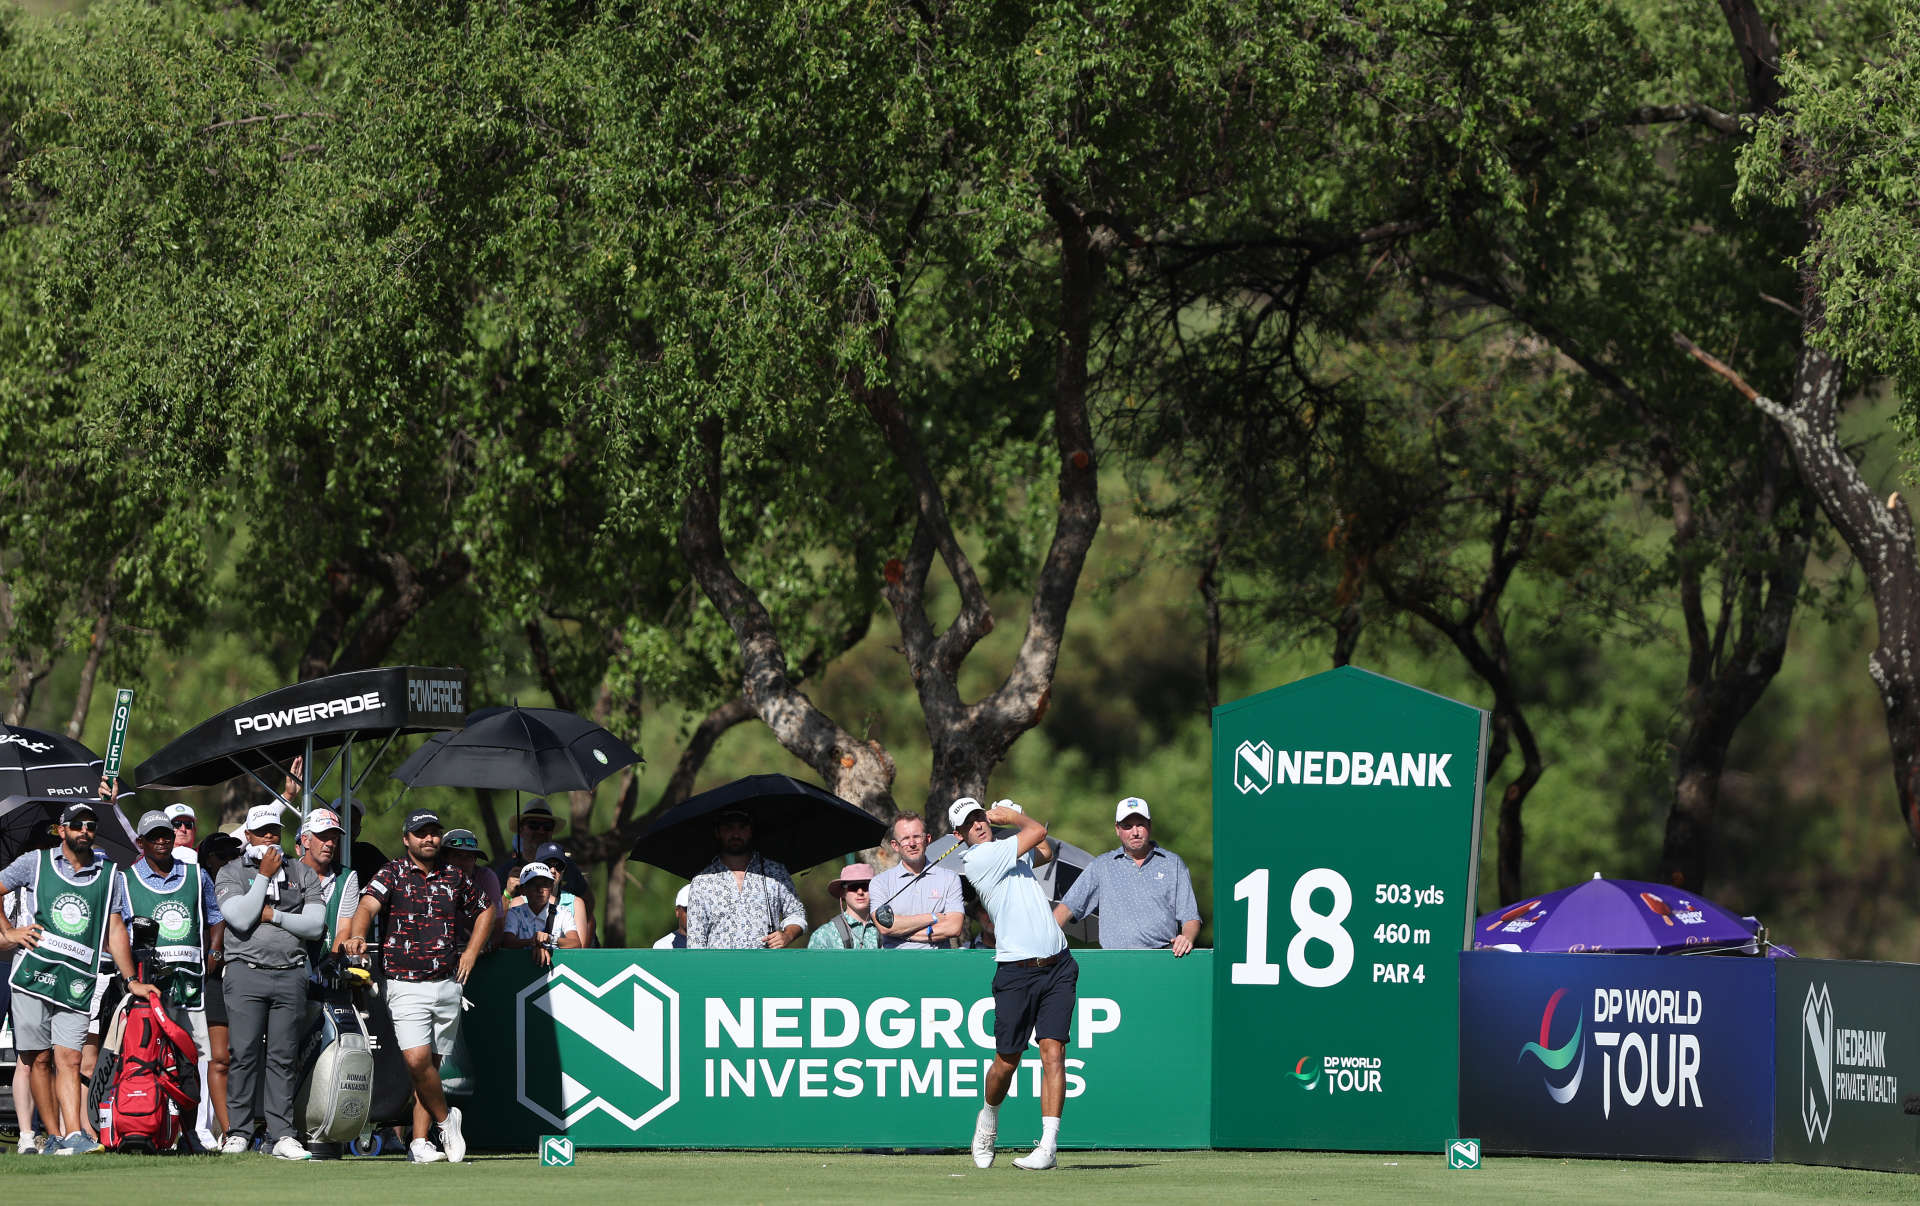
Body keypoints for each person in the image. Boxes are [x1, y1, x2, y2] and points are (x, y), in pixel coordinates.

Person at [0, 801, 153, 1156]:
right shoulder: (33, 863)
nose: (85, 830)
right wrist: (9, 933)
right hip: (33, 975)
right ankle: (53, 1137)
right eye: (78, 824)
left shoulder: (109, 874)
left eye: (91, 825)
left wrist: (131, 980)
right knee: (37, 1058)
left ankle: (74, 1134)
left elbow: (115, 928)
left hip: (78, 979)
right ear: (62, 829)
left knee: (68, 1058)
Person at [344, 808, 494, 1165]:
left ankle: (421, 1142)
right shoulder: (392, 872)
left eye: (433, 832)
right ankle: (447, 1120)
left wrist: (471, 951)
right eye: (421, 833)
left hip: (447, 983)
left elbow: (486, 909)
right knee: (416, 1060)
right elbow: (366, 906)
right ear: (406, 839)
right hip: (405, 983)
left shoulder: (454, 876)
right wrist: (358, 936)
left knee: (430, 1069)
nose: (429, 838)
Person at [951, 796, 1074, 1172]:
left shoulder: (1007, 851)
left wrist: (1012, 822)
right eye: (970, 822)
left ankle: (1048, 1146)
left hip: (1059, 965)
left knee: (1053, 1053)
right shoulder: (978, 860)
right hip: (1016, 973)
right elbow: (1037, 830)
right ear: (960, 835)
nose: (978, 823)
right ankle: (988, 1118)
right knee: (1007, 1061)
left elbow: (1046, 851)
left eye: (980, 816)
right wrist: (1015, 817)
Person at [214, 802, 325, 1160]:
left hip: (290, 972)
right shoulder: (231, 872)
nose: (269, 838)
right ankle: (239, 1131)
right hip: (246, 972)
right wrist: (262, 876)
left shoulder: (302, 873)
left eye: (275, 832)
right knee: (243, 1054)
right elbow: (242, 919)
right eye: (262, 833)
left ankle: (281, 1134)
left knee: (283, 1057)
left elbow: (314, 926)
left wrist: (274, 916)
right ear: (247, 836)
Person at [126, 810, 226, 1149]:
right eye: (153, 835)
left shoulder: (196, 875)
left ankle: (191, 1131)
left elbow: (215, 917)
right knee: (150, 1057)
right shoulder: (126, 880)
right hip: (148, 986)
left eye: (166, 833)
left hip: (190, 983)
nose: (162, 839)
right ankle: (149, 1128)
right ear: (140, 842)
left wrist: (214, 951)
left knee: (192, 1058)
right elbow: (117, 931)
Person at [1053, 797, 1201, 955]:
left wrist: (1186, 938)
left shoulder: (1172, 863)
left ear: (1149, 826)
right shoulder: (1102, 866)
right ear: (1117, 829)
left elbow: (1191, 917)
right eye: (1128, 826)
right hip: (1115, 962)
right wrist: (1043, 947)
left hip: (1163, 958)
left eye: (1140, 825)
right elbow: (1066, 909)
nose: (1135, 832)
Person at [684, 809, 805, 950]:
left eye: (742, 827)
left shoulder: (775, 872)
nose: (736, 834)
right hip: (719, 970)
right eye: (729, 828)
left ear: (751, 831)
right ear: (718, 832)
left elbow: (797, 913)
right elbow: (695, 942)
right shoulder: (701, 881)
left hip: (767, 968)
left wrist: (787, 935)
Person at [194, 832, 244, 1149]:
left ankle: (235, 1128)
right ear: (209, 858)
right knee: (216, 1056)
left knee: (241, 1056)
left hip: (241, 973)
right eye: (223, 855)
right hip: (207, 977)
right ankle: (221, 1129)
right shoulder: (197, 883)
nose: (230, 860)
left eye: (233, 855)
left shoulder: (243, 882)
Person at [492, 800, 595, 946]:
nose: (541, 831)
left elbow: (589, 905)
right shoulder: (506, 871)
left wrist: (585, 946)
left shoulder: (568, 866)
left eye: (547, 827)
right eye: (533, 825)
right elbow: (491, 919)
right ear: (521, 829)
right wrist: (507, 894)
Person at [869, 814, 964, 949]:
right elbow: (885, 926)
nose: (912, 844)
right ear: (895, 845)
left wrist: (901, 931)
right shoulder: (880, 882)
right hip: (895, 965)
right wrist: (932, 917)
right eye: (905, 838)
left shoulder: (950, 878)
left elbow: (954, 927)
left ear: (928, 839)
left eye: (917, 837)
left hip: (938, 964)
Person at [296, 809, 359, 960]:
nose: (330, 844)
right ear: (305, 841)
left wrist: (330, 965)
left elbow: (344, 928)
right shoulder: (286, 873)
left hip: (329, 964)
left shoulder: (347, 877)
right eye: (323, 837)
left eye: (334, 838)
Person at [497, 862, 581, 968]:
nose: (540, 889)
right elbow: (507, 942)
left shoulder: (564, 912)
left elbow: (576, 943)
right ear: (523, 890)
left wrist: (550, 939)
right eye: (533, 884)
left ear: (551, 887)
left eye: (545, 884)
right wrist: (533, 942)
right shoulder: (514, 913)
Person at [442, 829, 503, 935]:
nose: (463, 862)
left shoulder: (485, 877)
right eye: (457, 856)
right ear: (444, 859)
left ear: (475, 860)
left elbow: (497, 926)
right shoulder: (432, 880)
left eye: (468, 857)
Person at [807, 864, 881, 949]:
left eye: (866, 886)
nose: (860, 892)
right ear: (842, 892)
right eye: (853, 887)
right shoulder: (824, 936)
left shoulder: (888, 930)